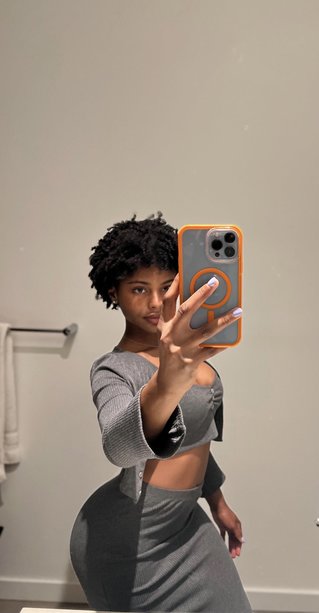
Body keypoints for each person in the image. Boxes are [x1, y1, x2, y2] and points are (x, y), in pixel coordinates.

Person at [70, 213, 252, 612]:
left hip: (186, 521)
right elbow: (119, 447)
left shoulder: (186, 354)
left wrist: (217, 501)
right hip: (130, 540)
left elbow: (195, 440)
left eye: (166, 287)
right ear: (114, 292)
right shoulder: (114, 369)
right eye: (139, 289)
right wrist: (166, 382)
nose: (155, 303)